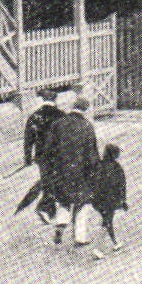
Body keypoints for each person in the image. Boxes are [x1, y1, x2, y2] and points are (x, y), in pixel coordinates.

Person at [45, 93, 100, 247]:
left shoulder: (58, 124)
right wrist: (95, 172)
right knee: (83, 203)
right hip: (80, 173)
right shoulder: (87, 127)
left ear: (73, 107)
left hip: (60, 171)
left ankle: (61, 223)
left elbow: (48, 149)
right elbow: (92, 154)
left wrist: (51, 169)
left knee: (63, 200)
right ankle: (80, 237)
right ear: (85, 110)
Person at [22, 87, 64, 225]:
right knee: (56, 180)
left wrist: (28, 158)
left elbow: (28, 140)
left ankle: (49, 211)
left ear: (42, 100)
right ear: (54, 99)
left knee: (47, 180)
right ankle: (45, 208)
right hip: (58, 154)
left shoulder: (34, 116)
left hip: (41, 156)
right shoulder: (61, 115)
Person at [89, 143, 128, 260]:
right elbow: (121, 186)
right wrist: (123, 201)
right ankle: (97, 248)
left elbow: (92, 181)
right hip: (110, 200)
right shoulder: (117, 168)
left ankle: (115, 243)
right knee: (106, 222)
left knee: (108, 221)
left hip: (97, 200)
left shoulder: (98, 165)